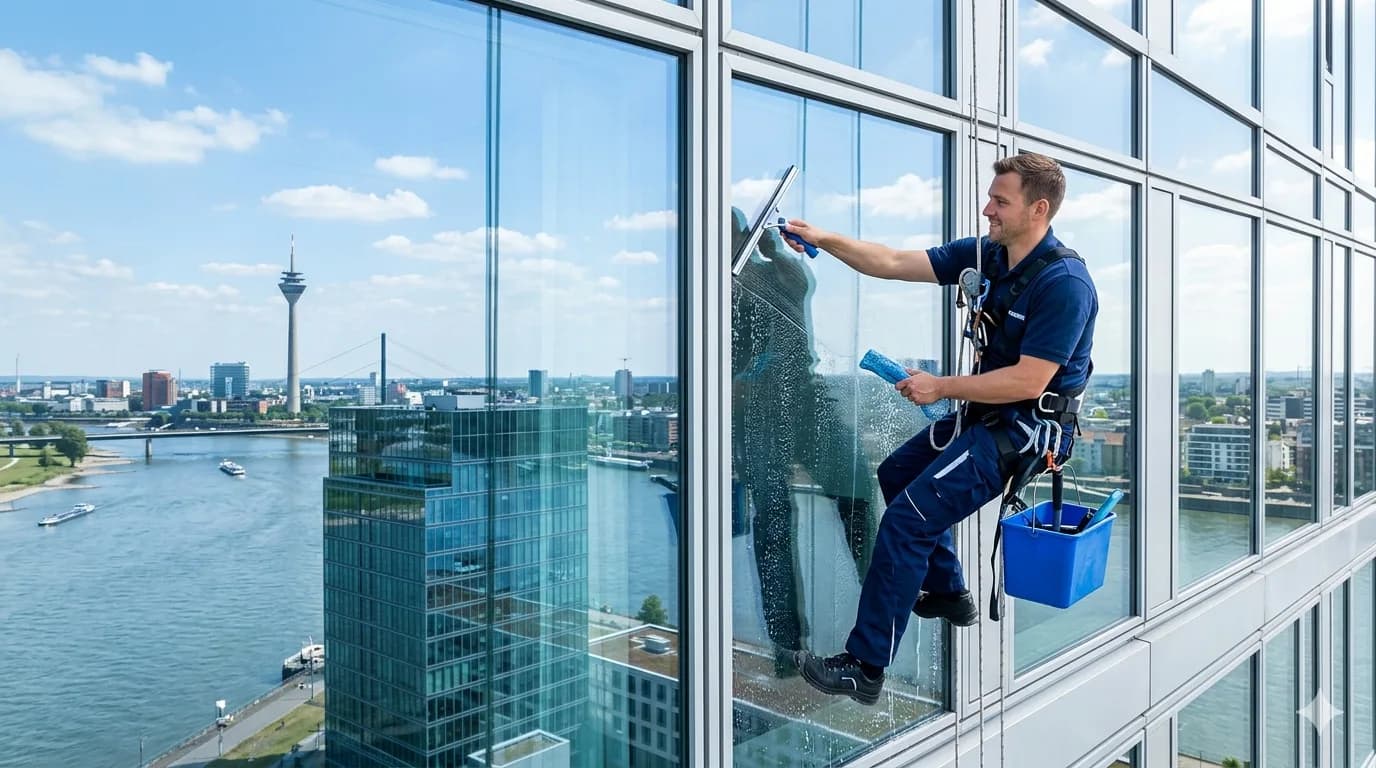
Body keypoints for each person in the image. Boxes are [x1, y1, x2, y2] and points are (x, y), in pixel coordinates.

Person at [783, 153, 1099, 704]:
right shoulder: (988, 256)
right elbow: (890, 261)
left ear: (1038, 208)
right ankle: (947, 589)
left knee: (908, 520)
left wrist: (941, 386)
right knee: (897, 474)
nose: (987, 209)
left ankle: (865, 666)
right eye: (990, 198)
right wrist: (822, 237)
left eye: (1000, 201)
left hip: (1024, 431)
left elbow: (1029, 380)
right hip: (986, 416)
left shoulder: (1065, 284)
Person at [730, 206, 878, 676]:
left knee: (856, 484)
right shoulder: (720, 285)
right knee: (772, 518)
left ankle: (880, 598)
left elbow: (797, 280)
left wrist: (774, 241)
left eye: (738, 233)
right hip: (756, 409)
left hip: (804, 397)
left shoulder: (776, 272)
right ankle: (787, 646)